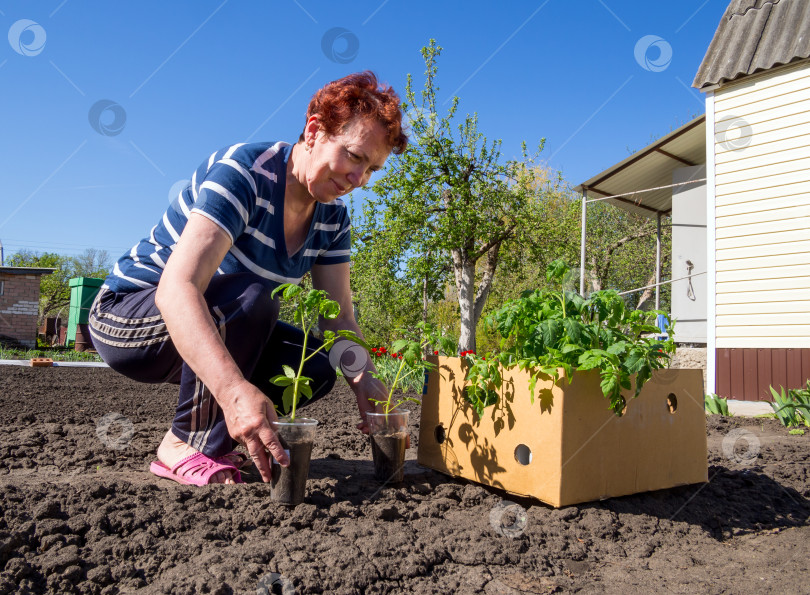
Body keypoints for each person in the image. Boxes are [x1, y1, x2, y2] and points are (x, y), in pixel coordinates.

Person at [88, 71, 408, 486]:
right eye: (354, 156)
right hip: (130, 317)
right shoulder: (244, 173)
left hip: (213, 320)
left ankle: (229, 434)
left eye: (372, 169)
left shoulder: (333, 219)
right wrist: (234, 391)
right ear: (314, 131)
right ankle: (184, 445)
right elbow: (176, 289)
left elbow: (338, 318)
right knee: (253, 295)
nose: (358, 180)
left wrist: (367, 382)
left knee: (319, 360)